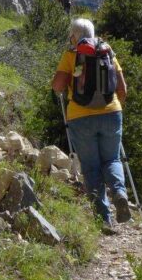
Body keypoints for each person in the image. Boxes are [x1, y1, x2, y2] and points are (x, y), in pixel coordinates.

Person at [51, 18, 131, 234]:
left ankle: (104, 219)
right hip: (111, 112)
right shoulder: (107, 51)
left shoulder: (72, 54)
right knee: (112, 159)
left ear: (74, 35)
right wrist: (115, 108)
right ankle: (119, 193)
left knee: (91, 167)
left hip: (80, 116)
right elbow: (122, 88)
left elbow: (58, 86)